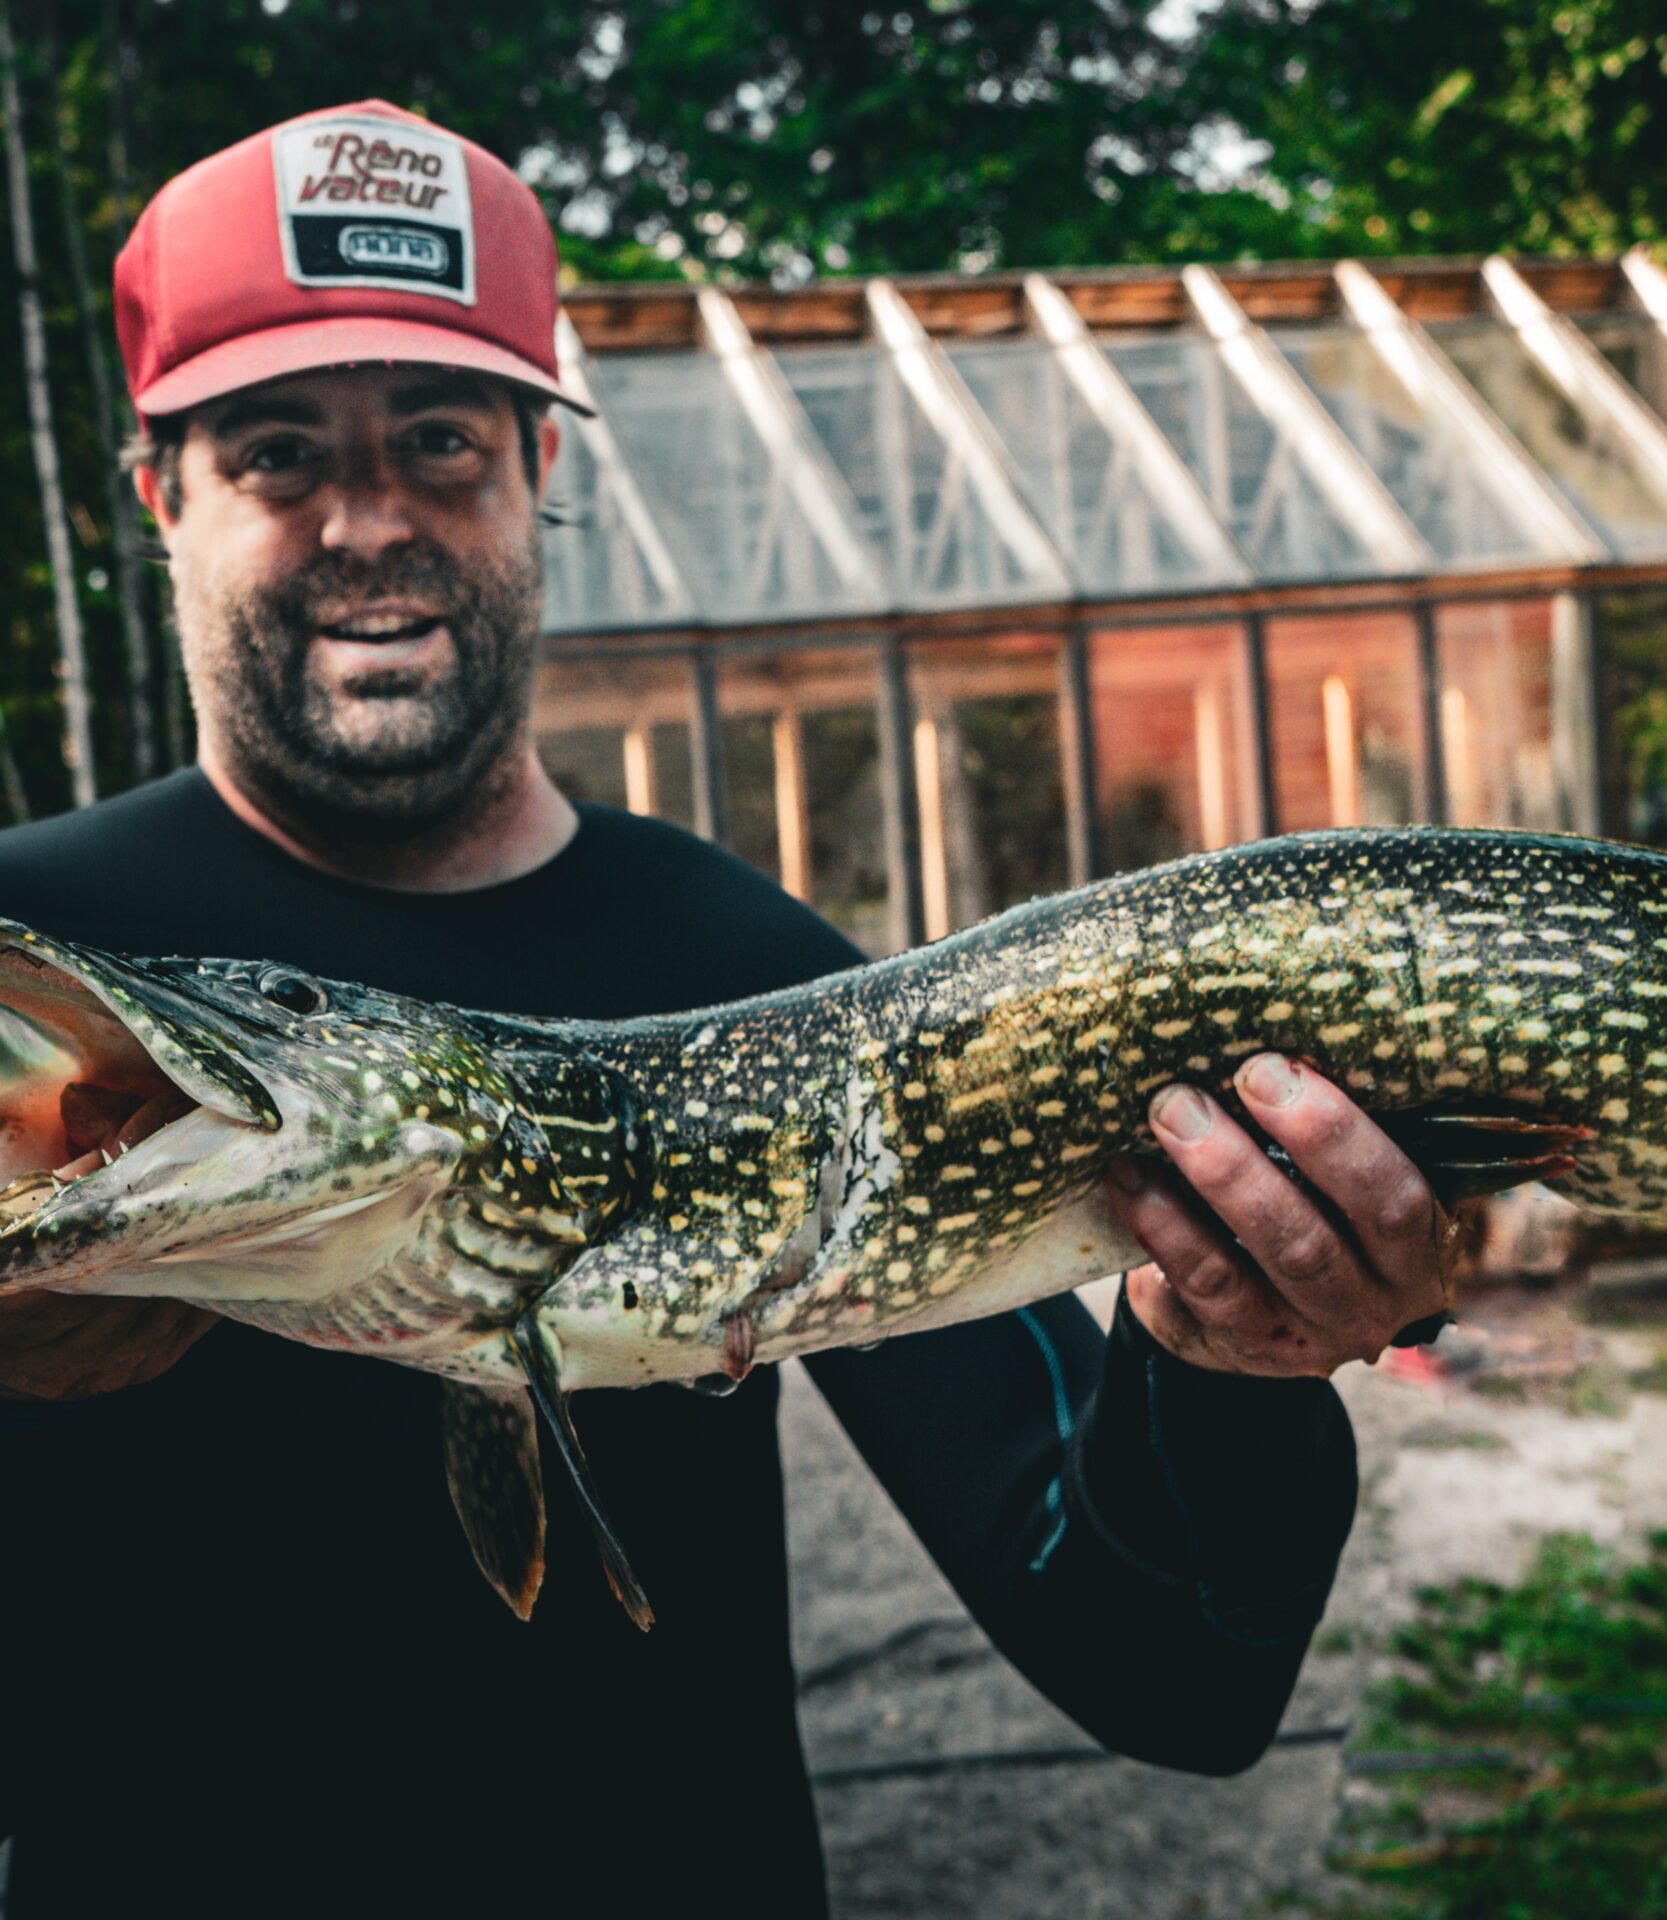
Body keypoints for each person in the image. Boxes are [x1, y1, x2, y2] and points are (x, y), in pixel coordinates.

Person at [0, 102, 1453, 1917]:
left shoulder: (757, 979)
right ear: (162, 499)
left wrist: (1230, 1363)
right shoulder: (29, 962)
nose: (365, 521)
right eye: (278, 452)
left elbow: (1170, 1673)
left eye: (439, 439)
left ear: (540, 462)